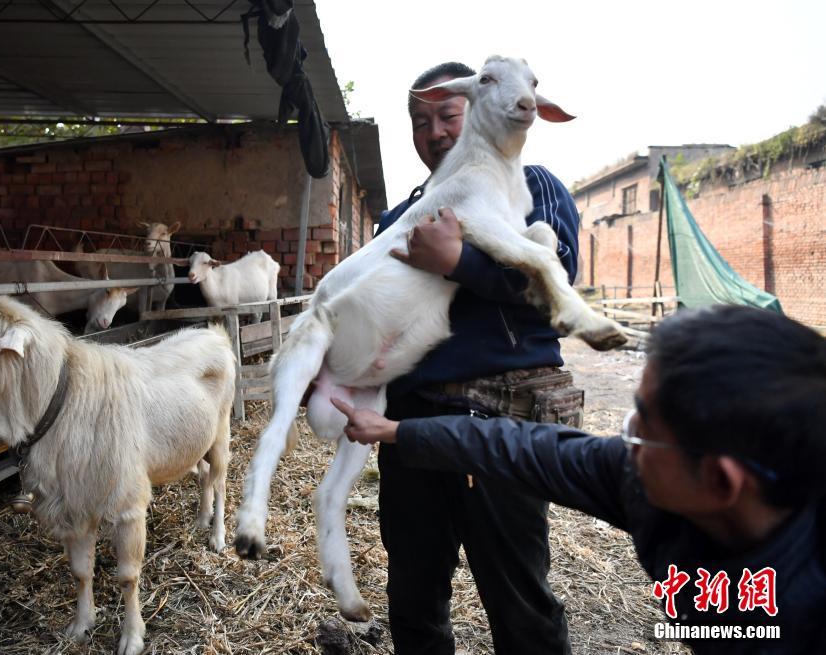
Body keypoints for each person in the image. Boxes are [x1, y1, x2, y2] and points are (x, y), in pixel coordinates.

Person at [333, 304, 826, 654]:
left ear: (720, 481)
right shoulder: (644, 480)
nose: (626, 438)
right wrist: (397, 431)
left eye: (643, 425)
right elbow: (522, 448)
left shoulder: (803, 615)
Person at [373, 61, 582, 654]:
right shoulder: (403, 216)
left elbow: (556, 281)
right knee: (413, 596)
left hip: (498, 420)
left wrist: (457, 262)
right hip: (409, 428)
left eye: (448, 116)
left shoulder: (531, 184)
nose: (435, 132)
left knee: (519, 601)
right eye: (420, 122)